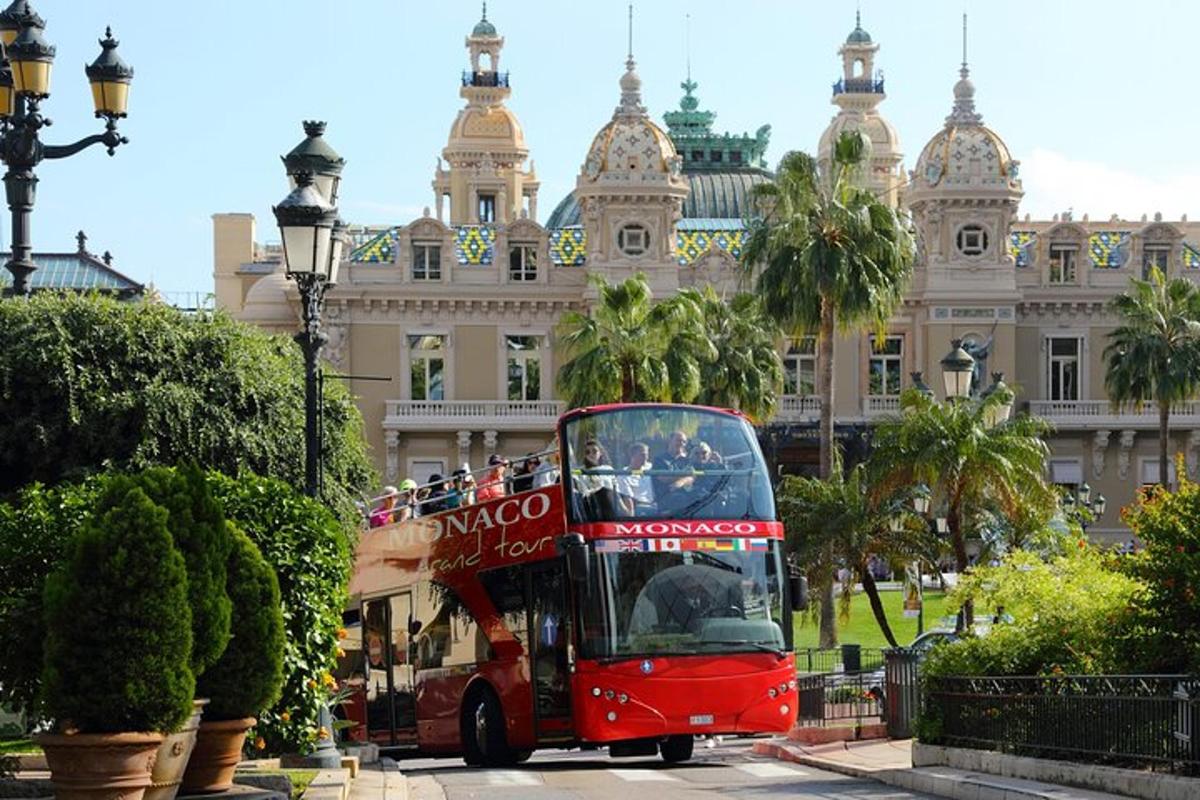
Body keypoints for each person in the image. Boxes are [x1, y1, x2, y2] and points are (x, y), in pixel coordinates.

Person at [616, 441, 655, 517]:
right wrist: (631, 517)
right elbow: (628, 499)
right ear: (632, 455)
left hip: (655, 506)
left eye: (647, 455)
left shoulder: (650, 468)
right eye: (643, 455)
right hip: (639, 509)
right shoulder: (623, 475)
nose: (646, 458)